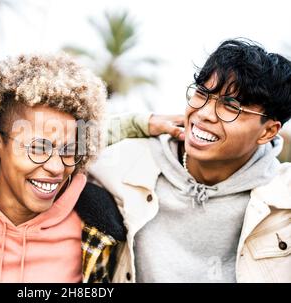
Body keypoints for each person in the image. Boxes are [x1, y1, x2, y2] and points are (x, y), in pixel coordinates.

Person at [0, 53, 184, 283]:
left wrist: (139, 123)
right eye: (38, 149)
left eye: (69, 151)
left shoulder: (96, 230)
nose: (57, 167)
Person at [89, 38, 291, 283]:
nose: (204, 114)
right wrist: (139, 123)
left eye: (231, 106)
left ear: (268, 132)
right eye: (203, 93)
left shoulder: (283, 202)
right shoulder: (131, 162)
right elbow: (53, 146)